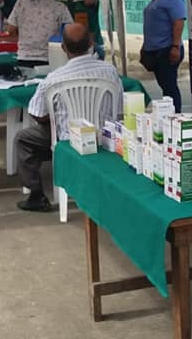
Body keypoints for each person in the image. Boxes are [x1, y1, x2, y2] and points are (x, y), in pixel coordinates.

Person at [14, 23, 122, 212]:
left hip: (68, 140)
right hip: (106, 137)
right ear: (91, 43)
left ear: (63, 48)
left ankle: (37, 195)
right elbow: (119, 108)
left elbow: (37, 114)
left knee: (23, 139)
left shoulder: (53, 79)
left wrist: (57, 118)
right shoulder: (110, 71)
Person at [6, 0, 74, 68]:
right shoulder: (60, 7)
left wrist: (26, 39)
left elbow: (10, 29)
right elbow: (70, 33)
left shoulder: (21, 2)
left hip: (24, 58)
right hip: (51, 60)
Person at [140, 0, 186, 112]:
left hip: (166, 49)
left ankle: (175, 115)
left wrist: (175, 46)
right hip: (154, 49)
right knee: (165, 86)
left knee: (169, 87)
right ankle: (168, 114)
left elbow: (178, 22)